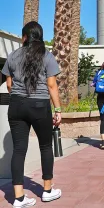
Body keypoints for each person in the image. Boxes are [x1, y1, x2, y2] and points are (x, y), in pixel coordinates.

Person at [1, 21, 62, 207]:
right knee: (45, 146)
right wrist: (58, 109)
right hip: (39, 105)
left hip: (17, 105)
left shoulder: (12, 55)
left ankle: (18, 198)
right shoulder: (47, 56)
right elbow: (51, 85)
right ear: (40, 36)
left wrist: (20, 97)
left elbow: (10, 85)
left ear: (24, 37)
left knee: (19, 150)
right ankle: (47, 190)